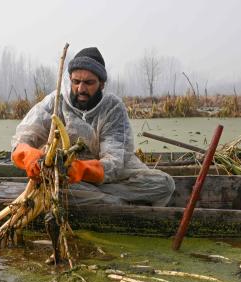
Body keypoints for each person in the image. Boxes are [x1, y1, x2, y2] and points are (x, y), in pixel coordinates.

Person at [11, 47, 175, 206]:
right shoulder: (55, 103)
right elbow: (20, 142)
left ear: (102, 84)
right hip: (66, 177)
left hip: (102, 175)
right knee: (57, 188)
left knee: (164, 184)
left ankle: (102, 199)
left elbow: (114, 163)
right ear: (70, 80)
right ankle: (111, 202)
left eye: (89, 82)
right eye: (76, 82)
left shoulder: (112, 107)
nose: (81, 89)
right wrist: (31, 157)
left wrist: (80, 169)